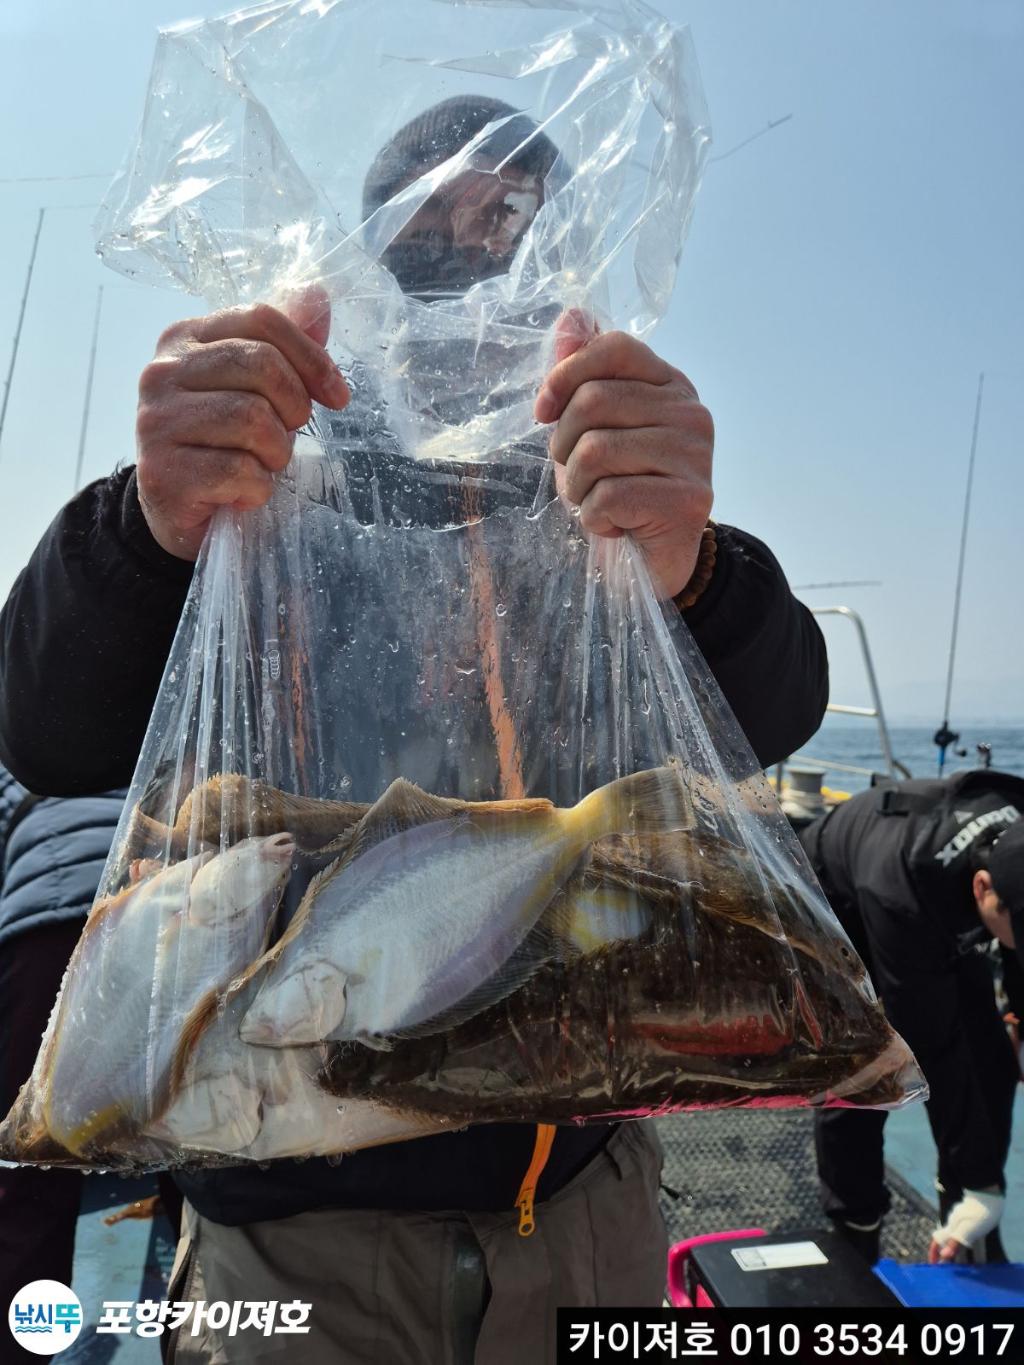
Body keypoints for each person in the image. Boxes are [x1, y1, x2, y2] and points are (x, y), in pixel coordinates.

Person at [0, 98, 829, 1364]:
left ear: (559, 255)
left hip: (586, 1205)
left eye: (508, 215)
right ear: (365, 247)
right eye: (427, 212)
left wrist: (694, 563)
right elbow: (47, 732)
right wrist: (146, 524)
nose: (468, 242)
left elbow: (764, 717)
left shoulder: (595, 472)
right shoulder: (267, 463)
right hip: (287, 1227)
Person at [799, 770, 1024, 1267]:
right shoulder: (903, 894)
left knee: (992, 1059)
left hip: (945, 897)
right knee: (869, 1071)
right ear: (984, 889)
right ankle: (856, 1225)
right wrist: (984, 1180)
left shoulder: (1012, 842)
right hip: (842, 900)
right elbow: (931, 1046)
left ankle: (961, 1208)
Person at [0, 768, 185, 1321]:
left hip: (53, 931)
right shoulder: (159, 741)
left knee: (31, 1176)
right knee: (185, 1147)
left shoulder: (22, 759)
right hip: (161, 915)